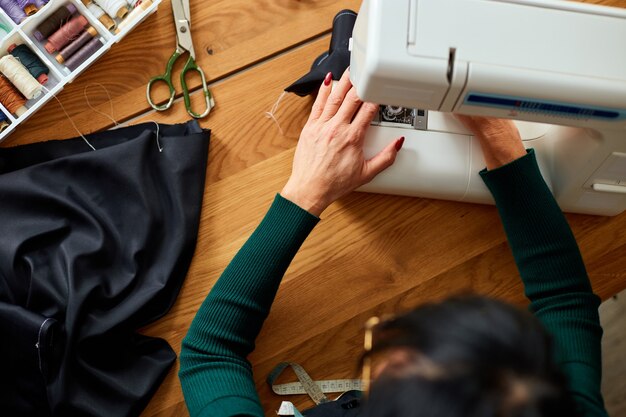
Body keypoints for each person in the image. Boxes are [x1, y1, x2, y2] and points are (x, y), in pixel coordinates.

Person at [178, 69, 607, 417]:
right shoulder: (558, 407)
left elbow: (209, 354)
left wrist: (304, 192)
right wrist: (500, 138)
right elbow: (565, 299)